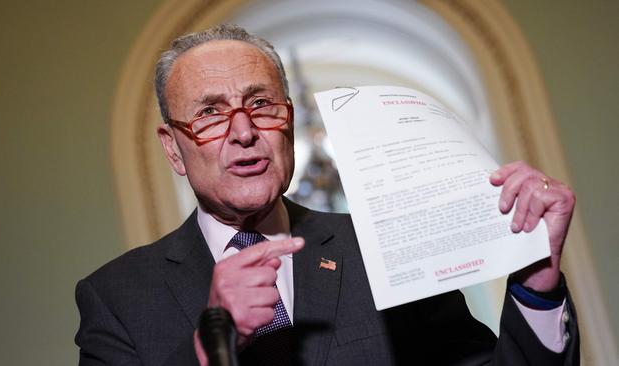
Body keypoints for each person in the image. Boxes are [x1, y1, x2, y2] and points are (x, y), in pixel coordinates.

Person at [75, 24, 579, 365]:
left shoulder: (378, 244)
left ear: (289, 122)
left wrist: (536, 283)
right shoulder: (117, 297)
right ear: (173, 149)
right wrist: (209, 346)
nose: (244, 131)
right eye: (209, 113)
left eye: (261, 103)